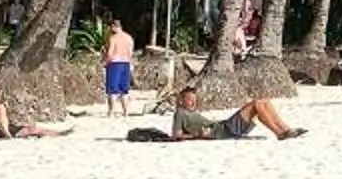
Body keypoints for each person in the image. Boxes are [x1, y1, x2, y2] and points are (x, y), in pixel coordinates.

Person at [168, 84, 303, 141]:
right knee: (257, 103)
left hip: (224, 127)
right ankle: (279, 133)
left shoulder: (189, 113)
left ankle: (286, 129)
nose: (193, 102)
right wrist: (197, 134)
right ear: (182, 100)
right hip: (223, 130)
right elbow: (176, 135)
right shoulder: (180, 113)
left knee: (264, 102)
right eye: (189, 100)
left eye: (194, 100)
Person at [103, 18, 138, 114]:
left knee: (112, 89)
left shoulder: (113, 38)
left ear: (114, 27)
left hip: (115, 63)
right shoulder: (129, 38)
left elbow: (110, 53)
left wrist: (106, 62)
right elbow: (131, 53)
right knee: (124, 90)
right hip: (126, 63)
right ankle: (126, 111)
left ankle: (111, 111)